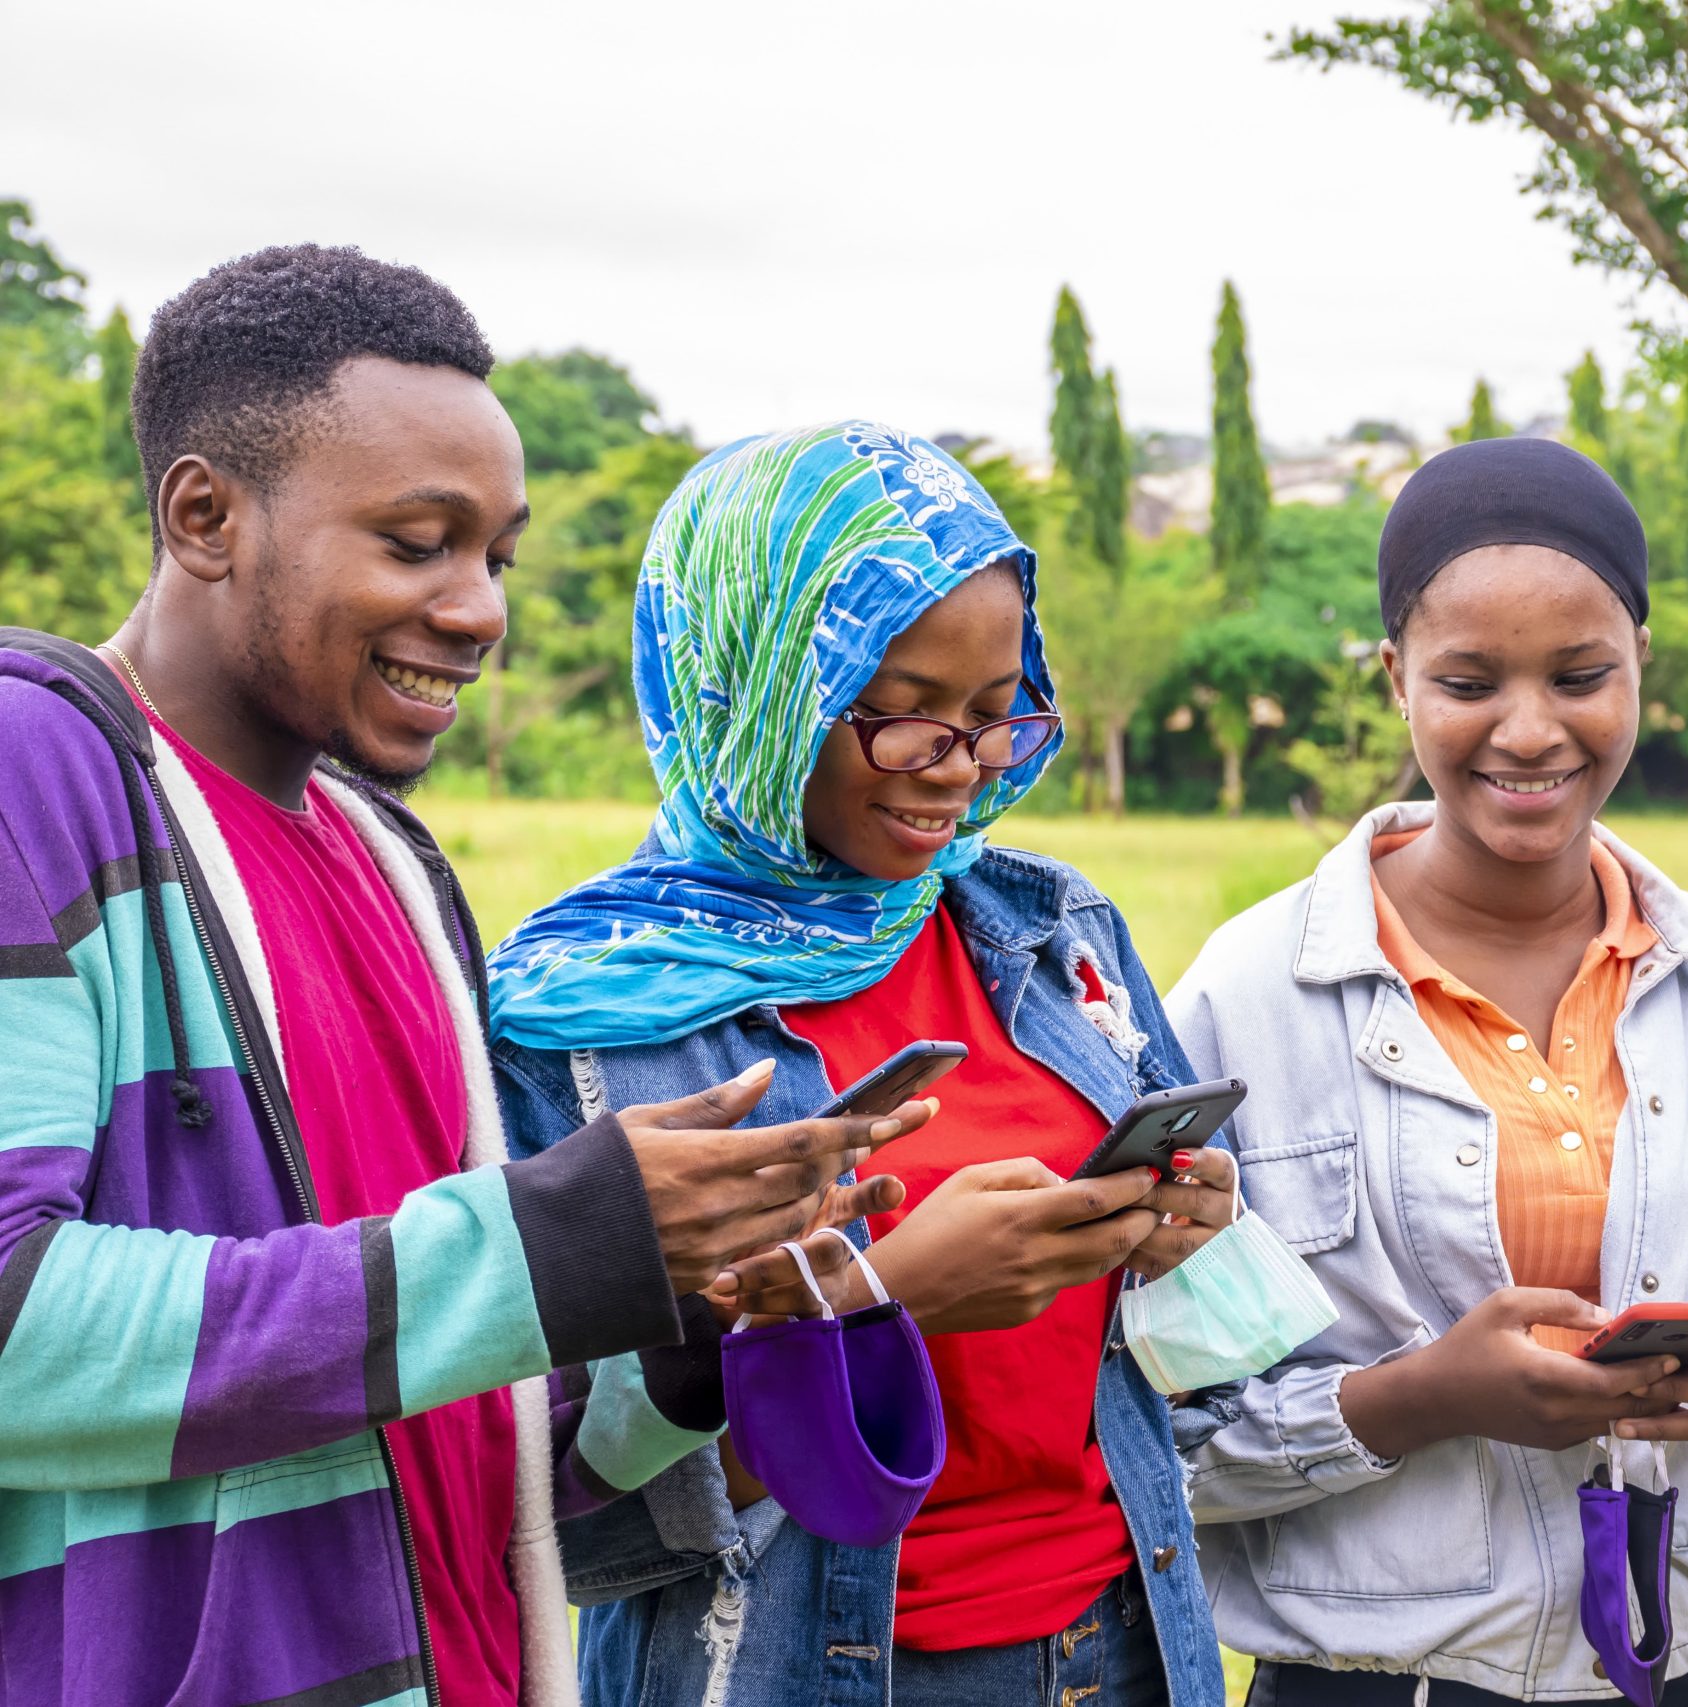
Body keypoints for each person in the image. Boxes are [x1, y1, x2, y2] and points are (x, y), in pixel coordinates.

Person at [0, 249, 915, 1707]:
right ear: (204, 515)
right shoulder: (34, 772)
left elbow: (445, 1416)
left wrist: (680, 1341)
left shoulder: (393, 862)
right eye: (419, 541)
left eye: (497, 552)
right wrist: (540, 1242)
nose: (479, 606)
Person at [486, 421, 1234, 1707]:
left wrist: (1177, 1226)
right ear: (760, 684)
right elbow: (540, 1504)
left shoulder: (1056, 932)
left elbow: (1179, 1371)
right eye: (901, 718)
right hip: (806, 1670)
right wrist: (876, 1298)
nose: (957, 769)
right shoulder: (582, 1014)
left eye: (995, 717)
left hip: (1122, 1644)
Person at [1165, 437, 1688, 1706]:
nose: (1529, 731)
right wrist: (1416, 1399)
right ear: (1394, 677)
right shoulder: (1240, 1001)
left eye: (1580, 675)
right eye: (1468, 681)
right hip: (1373, 1683)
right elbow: (1157, 1452)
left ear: (1641, 659)